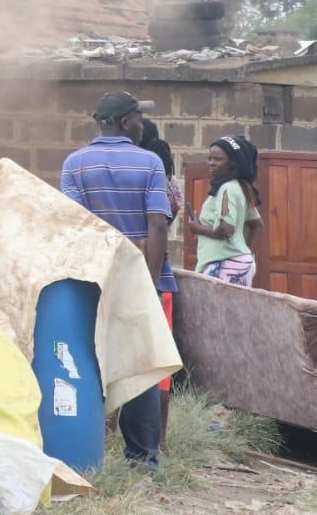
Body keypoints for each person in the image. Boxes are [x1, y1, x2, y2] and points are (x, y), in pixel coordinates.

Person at [61, 91, 173, 470]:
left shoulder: (74, 164)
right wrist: (152, 283)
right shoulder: (151, 163)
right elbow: (157, 223)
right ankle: (142, 459)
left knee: (90, 362)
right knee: (140, 366)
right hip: (139, 277)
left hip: (92, 279)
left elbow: (78, 227)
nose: (143, 125)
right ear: (125, 122)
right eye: (139, 118)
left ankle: (87, 456)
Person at [138, 118, 182, 447]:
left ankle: (112, 432)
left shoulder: (141, 178)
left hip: (142, 277)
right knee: (160, 361)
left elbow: (156, 227)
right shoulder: (171, 184)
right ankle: (161, 438)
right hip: (162, 278)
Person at [187, 136, 264, 287]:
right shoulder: (240, 187)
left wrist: (197, 228)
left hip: (223, 264)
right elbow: (258, 225)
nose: (211, 163)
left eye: (218, 159)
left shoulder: (226, 188)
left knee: (214, 311)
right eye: (209, 158)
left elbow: (226, 229)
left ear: (232, 164)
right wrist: (245, 255)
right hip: (237, 263)